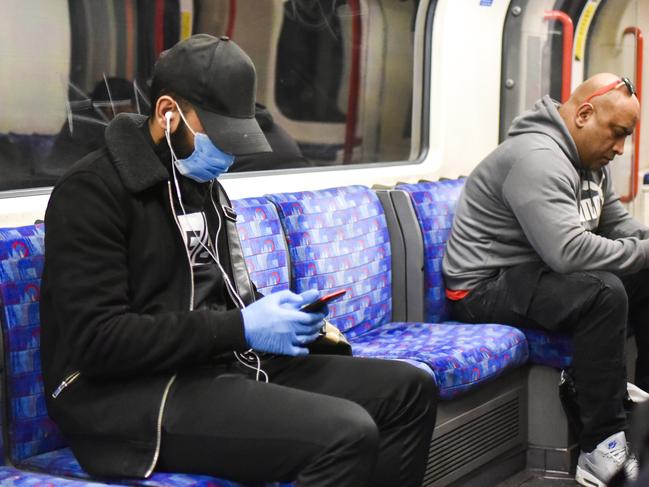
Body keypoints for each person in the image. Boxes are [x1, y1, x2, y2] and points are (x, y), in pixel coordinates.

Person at [40, 34, 436, 487]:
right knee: (346, 434)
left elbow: (220, 295)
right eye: (220, 138)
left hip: (213, 363)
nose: (228, 157)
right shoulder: (91, 193)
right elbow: (99, 342)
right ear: (169, 113)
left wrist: (287, 320)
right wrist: (242, 327)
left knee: (410, 389)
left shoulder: (199, 181)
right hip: (126, 397)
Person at [442, 73, 647, 487]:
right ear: (585, 114)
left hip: (536, 277)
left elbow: (622, 228)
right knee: (602, 292)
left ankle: (637, 413)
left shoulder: (589, 163)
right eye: (618, 134)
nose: (620, 149)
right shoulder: (537, 157)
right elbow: (569, 253)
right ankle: (601, 446)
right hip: (483, 286)